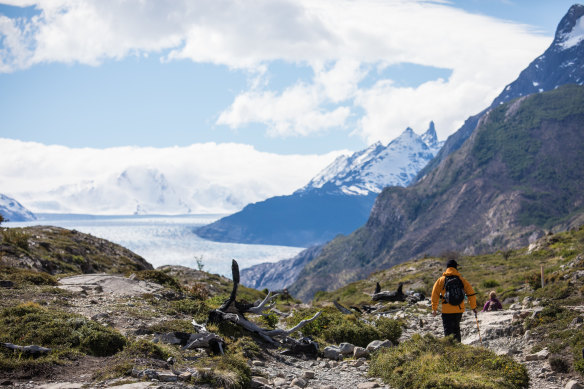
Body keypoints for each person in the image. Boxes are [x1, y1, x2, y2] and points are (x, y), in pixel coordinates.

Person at [431, 259, 477, 342]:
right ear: (456, 267)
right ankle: (459, 350)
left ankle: (450, 352)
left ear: (447, 268)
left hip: (446, 311)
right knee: (456, 330)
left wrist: (434, 309)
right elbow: (471, 294)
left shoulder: (441, 280)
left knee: (448, 333)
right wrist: (473, 307)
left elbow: (434, 295)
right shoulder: (461, 280)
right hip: (459, 310)